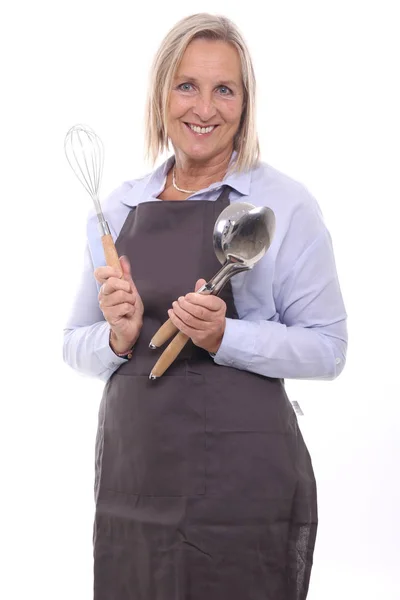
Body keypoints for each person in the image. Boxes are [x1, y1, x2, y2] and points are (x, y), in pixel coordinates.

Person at [63, 12, 347, 600]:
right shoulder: (117, 208)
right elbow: (73, 345)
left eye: (225, 89)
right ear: (161, 94)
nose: (204, 107)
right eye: (187, 85)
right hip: (135, 478)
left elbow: (329, 349)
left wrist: (227, 337)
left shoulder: (283, 205)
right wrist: (117, 336)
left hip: (242, 484)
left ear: (245, 104)